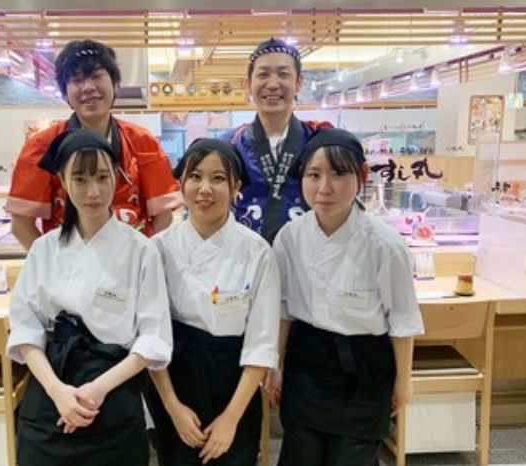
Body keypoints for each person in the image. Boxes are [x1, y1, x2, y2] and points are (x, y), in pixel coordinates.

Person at [6, 128, 173, 466]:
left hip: (114, 390)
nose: (93, 191)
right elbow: (25, 330)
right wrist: (58, 392)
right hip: (51, 391)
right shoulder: (44, 249)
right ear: (62, 182)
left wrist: (97, 389)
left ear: (117, 178)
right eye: (79, 179)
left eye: (102, 177)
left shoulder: (142, 250)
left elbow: (153, 337)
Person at [269, 128, 424, 466]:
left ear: (362, 176)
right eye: (314, 175)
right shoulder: (289, 238)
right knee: (300, 456)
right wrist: (275, 367)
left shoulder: (385, 244)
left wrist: (404, 380)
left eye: (338, 174)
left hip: (364, 371)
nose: (324, 188)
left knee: (352, 458)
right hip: (305, 366)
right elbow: (282, 309)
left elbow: (402, 318)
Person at [145, 139, 280, 465]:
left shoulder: (257, 252)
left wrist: (230, 419)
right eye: (195, 176)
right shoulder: (158, 248)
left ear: (236, 186)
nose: (205, 188)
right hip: (173, 381)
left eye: (218, 178)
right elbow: (150, 335)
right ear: (181, 183)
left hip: (234, 385)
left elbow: (261, 343)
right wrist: (173, 408)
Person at [6, 39, 182, 250]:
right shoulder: (41, 146)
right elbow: (21, 224)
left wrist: (144, 259)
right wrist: (51, 263)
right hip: (69, 264)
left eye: (96, 76)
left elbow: (162, 216)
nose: (88, 87)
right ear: (65, 93)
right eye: (77, 80)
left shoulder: (142, 141)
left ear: (115, 84)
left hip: (131, 262)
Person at [221, 37, 333, 244]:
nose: (273, 84)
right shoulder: (228, 145)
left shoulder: (319, 142)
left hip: (306, 255)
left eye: (283, 74)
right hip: (244, 257)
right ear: (248, 84)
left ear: (298, 83)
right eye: (263, 75)